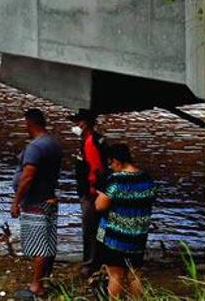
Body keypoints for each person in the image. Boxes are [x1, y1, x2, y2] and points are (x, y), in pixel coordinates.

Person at [11, 108, 63, 297]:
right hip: (49, 197)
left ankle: (36, 286)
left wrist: (16, 202)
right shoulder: (54, 143)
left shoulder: (35, 147)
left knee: (38, 244)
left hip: (35, 200)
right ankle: (45, 279)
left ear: (29, 123)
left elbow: (27, 177)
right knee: (48, 241)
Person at [96, 143, 158, 299]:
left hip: (116, 236)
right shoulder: (146, 178)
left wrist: (100, 193)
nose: (110, 166)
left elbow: (100, 205)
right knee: (134, 273)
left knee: (115, 275)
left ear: (117, 161)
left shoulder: (115, 180)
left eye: (111, 162)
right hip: (139, 235)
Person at [71, 109, 108, 277]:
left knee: (90, 228)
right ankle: (98, 260)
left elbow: (96, 169)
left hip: (91, 193)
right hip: (97, 192)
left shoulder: (90, 142)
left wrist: (93, 192)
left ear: (84, 124)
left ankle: (90, 264)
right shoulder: (97, 139)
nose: (75, 126)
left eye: (77, 122)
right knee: (98, 228)